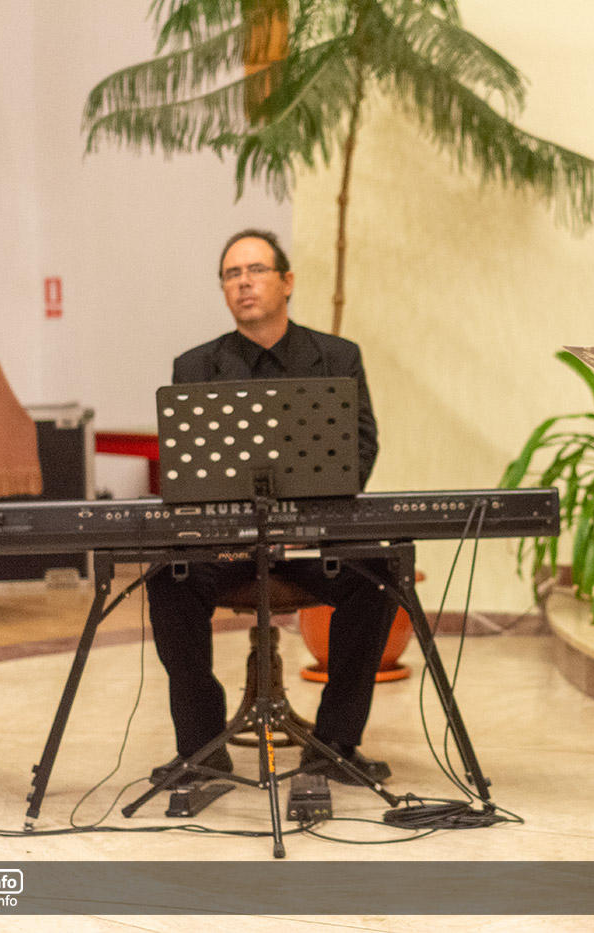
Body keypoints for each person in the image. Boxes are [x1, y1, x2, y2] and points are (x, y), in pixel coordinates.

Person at [146, 228, 397, 786]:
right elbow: (188, 465)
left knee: (376, 574)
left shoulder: (337, 357)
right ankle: (202, 746)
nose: (244, 283)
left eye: (256, 270)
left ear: (286, 282)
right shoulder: (195, 366)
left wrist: (304, 522)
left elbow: (360, 447)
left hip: (309, 542)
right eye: (232, 274)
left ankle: (335, 744)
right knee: (169, 577)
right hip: (228, 545)